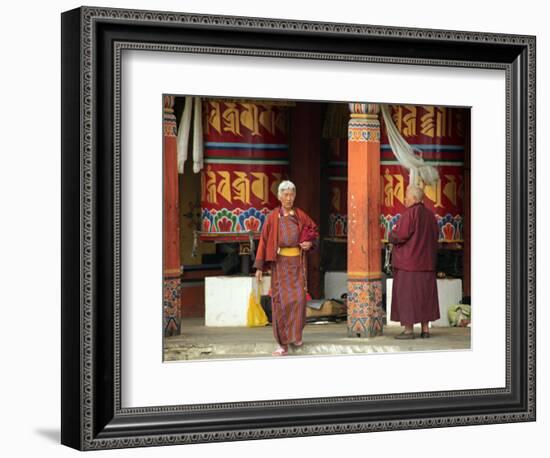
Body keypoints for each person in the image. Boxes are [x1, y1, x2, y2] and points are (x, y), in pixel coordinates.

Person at [254, 180, 318, 356]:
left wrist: (308, 243)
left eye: (292, 195)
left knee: (298, 300)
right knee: (281, 303)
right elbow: (263, 241)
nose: (289, 198)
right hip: (280, 265)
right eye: (286, 195)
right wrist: (259, 267)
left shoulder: (299, 215)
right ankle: (282, 344)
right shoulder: (272, 217)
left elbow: (313, 230)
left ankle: (295, 335)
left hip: (297, 264)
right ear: (280, 196)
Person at [389, 185, 440, 339]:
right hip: (427, 264)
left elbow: (400, 235)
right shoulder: (431, 216)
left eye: (406, 196)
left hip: (409, 265)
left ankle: (409, 330)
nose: (405, 199)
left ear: (414, 199)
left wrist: (392, 234)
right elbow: (436, 236)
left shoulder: (410, 213)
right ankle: (425, 330)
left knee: (408, 297)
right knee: (425, 297)